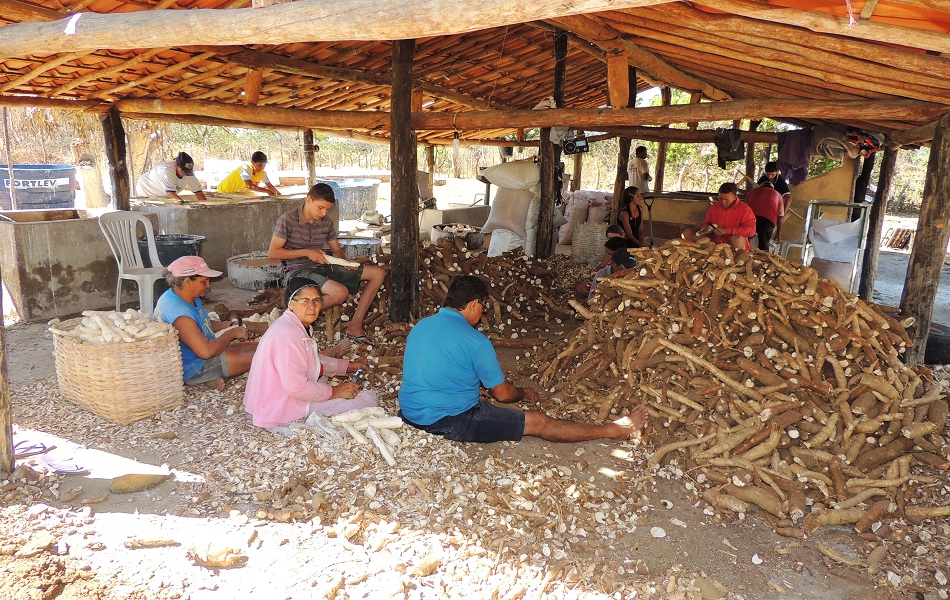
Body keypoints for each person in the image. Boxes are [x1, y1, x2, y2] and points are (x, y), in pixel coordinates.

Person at [398, 275, 649, 443]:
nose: (482, 312)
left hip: (410, 413)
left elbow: (437, 369)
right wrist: (522, 393)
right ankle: (614, 429)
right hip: (447, 422)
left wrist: (472, 392)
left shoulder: (422, 325)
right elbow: (503, 395)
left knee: (478, 396)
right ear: (474, 304)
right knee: (539, 422)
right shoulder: (475, 341)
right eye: (483, 306)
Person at [243, 278, 378, 429]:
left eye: (316, 300)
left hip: (274, 400)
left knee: (325, 381)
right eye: (305, 301)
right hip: (279, 408)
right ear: (291, 304)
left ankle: (320, 412)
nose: (312, 306)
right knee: (369, 399)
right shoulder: (289, 334)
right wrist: (336, 391)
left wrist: (351, 366)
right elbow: (295, 387)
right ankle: (309, 422)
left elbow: (312, 360)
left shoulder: (294, 324)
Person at [268, 183, 387, 343]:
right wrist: (307, 252)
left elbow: (336, 250)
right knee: (340, 293)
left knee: (378, 273)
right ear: (308, 200)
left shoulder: (326, 222)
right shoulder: (287, 220)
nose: (323, 213)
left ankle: (355, 325)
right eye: (320, 208)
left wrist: (345, 262)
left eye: (327, 209)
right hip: (298, 271)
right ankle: (291, 316)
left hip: (323, 266)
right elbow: (273, 253)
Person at [154, 256, 257, 390]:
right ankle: (202, 379)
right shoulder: (179, 315)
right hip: (195, 367)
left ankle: (213, 379)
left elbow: (202, 323)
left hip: (202, 352)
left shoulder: (184, 295)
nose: (208, 286)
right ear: (187, 282)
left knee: (262, 347)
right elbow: (206, 352)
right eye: (204, 281)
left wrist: (229, 325)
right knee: (261, 357)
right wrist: (232, 334)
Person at [682, 182, 756, 251]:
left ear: (734, 197)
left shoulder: (745, 209)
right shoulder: (714, 207)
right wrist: (706, 229)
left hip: (732, 243)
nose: (723, 202)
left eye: (726, 200)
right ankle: (693, 256)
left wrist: (727, 231)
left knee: (738, 238)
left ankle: (737, 261)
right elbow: (706, 222)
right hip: (714, 241)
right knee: (687, 233)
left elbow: (751, 231)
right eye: (720, 198)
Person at [136, 152, 207, 202]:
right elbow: (171, 194)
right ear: (176, 165)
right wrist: (185, 204)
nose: (185, 174)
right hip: (146, 190)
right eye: (183, 171)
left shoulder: (189, 174)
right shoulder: (167, 170)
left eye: (187, 172)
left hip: (163, 194)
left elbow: (199, 193)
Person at [744, 180, 785, 251]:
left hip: (750, 217)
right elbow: (780, 216)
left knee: (745, 240)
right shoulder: (778, 195)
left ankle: (743, 255)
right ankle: (762, 260)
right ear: (772, 188)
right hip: (767, 220)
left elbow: (745, 208)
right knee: (764, 243)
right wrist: (778, 233)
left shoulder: (752, 192)